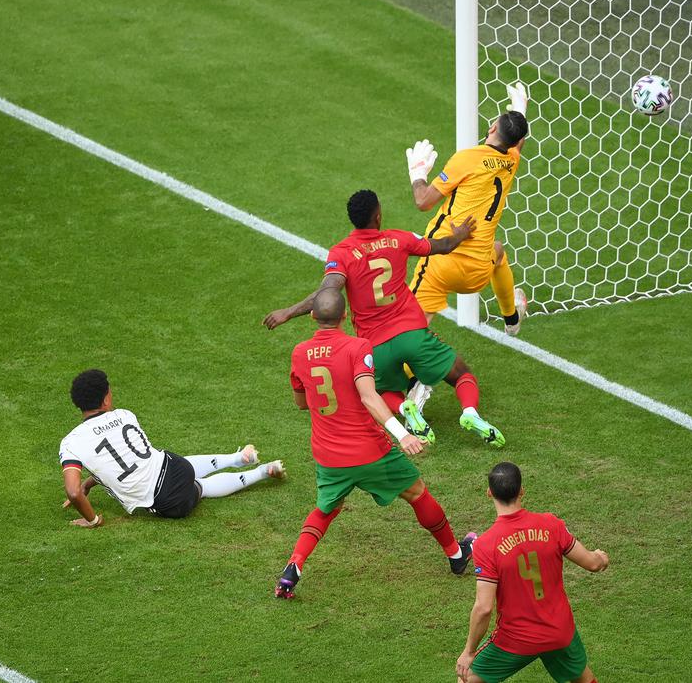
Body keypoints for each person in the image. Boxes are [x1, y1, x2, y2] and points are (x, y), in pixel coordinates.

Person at [274, 288, 475, 598]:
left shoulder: (299, 352)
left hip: (328, 455)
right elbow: (369, 395)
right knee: (417, 492)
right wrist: (402, 434)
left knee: (326, 509)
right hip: (369, 451)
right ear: (344, 315)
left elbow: (301, 403)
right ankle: (456, 555)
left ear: (312, 316)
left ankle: (293, 566)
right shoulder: (358, 347)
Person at [264, 189, 506, 447]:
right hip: (412, 333)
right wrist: (460, 234)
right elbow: (443, 246)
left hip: (375, 344)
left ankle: (404, 408)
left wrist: (288, 312)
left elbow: (327, 292)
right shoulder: (398, 239)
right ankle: (470, 412)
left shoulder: (341, 253)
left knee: (377, 389)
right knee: (460, 374)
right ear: (378, 216)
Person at [59, 369, 285, 526]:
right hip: (175, 464)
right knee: (181, 470)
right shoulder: (124, 415)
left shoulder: (71, 442)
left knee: (203, 487)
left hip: (166, 497)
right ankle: (236, 458)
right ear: (106, 399)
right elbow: (120, 459)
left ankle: (263, 471)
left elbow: (74, 491)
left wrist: (93, 520)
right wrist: (89, 484)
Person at [456, 462, 609, 683]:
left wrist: (469, 651)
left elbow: (484, 608)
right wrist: (601, 557)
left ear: (489, 492)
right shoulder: (551, 525)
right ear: (521, 491)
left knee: (466, 677)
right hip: (558, 631)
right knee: (583, 679)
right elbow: (592, 564)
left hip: (516, 639)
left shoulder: (486, 545)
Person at [405, 83, 532, 336]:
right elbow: (516, 143)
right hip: (478, 273)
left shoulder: (466, 159)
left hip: (442, 262)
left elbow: (423, 202)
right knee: (498, 250)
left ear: (492, 128)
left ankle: (404, 366)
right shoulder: (511, 161)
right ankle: (512, 318)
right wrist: (520, 113)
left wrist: (417, 173)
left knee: (408, 328)